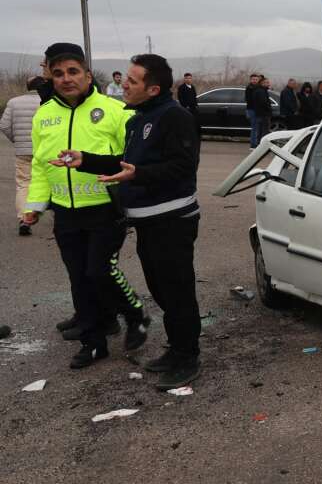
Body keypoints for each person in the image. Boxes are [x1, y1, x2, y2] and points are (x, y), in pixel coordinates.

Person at [57, 53, 203, 390]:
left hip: (173, 221)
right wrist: (86, 161)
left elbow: (183, 167)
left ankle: (187, 355)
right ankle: (177, 347)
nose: (124, 84)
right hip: (147, 223)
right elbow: (124, 164)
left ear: (153, 89)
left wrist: (140, 174)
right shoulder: (137, 119)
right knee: (161, 290)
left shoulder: (174, 117)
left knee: (177, 292)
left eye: (133, 81)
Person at [24, 45, 149, 368]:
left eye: (73, 72)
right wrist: (35, 205)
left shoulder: (114, 110)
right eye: (58, 73)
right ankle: (93, 343)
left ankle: (135, 313)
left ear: (88, 75)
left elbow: (135, 160)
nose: (66, 79)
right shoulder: (44, 114)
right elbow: (39, 165)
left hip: (105, 209)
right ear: (50, 78)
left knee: (99, 271)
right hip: (64, 211)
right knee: (79, 278)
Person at [1, 76, 43, 235]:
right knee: (51, 182)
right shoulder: (50, 101)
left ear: (27, 87)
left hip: (22, 151)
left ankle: (24, 219)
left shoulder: (14, 102)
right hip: (44, 151)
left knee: (24, 184)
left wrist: (16, 140)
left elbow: (4, 125)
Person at [248, 76, 273, 147]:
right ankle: (262, 146)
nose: (268, 84)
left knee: (260, 131)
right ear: (262, 83)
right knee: (263, 131)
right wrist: (269, 110)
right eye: (267, 82)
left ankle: (260, 145)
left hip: (261, 114)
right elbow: (264, 103)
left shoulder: (261, 90)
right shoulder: (261, 91)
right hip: (263, 114)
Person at [244, 74, 261, 146]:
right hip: (252, 110)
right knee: (254, 127)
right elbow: (249, 100)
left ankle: (255, 143)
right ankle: (253, 144)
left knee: (257, 127)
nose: (255, 81)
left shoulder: (258, 88)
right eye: (253, 79)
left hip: (257, 110)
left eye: (256, 79)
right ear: (250, 80)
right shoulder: (249, 88)